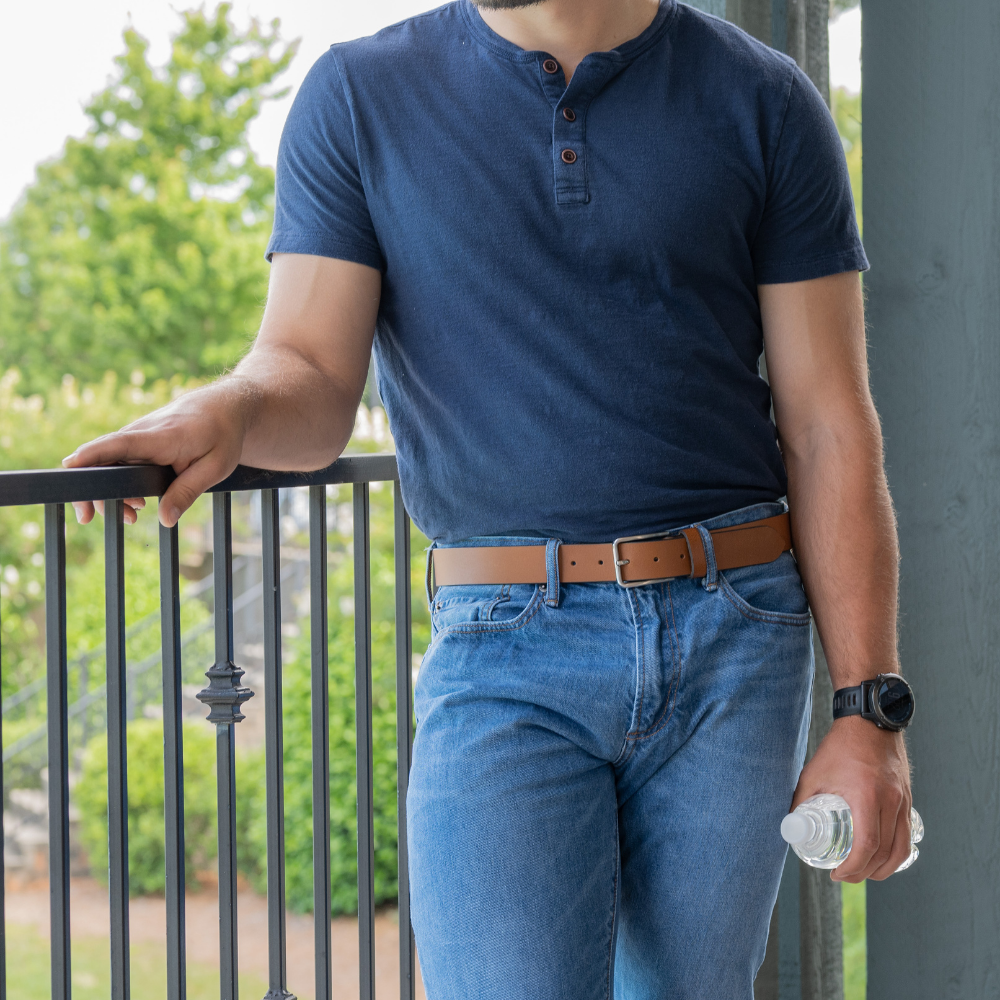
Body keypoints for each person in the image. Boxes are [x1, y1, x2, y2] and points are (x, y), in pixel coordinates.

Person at [64, 0, 913, 996]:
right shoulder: (360, 96)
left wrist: (870, 711)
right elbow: (307, 371)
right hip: (502, 644)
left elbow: (827, 423)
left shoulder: (764, 99)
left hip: (735, 638)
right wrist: (227, 410)